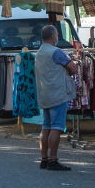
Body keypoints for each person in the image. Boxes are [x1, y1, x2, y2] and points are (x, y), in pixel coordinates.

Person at [35, 25, 79, 172]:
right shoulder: (56, 52)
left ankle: (44, 159)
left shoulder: (39, 52)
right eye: (57, 35)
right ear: (54, 36)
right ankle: (53, 160)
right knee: (57, 127)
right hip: (57, 94)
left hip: (44, 94)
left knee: (46, 127)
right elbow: (74, 69)